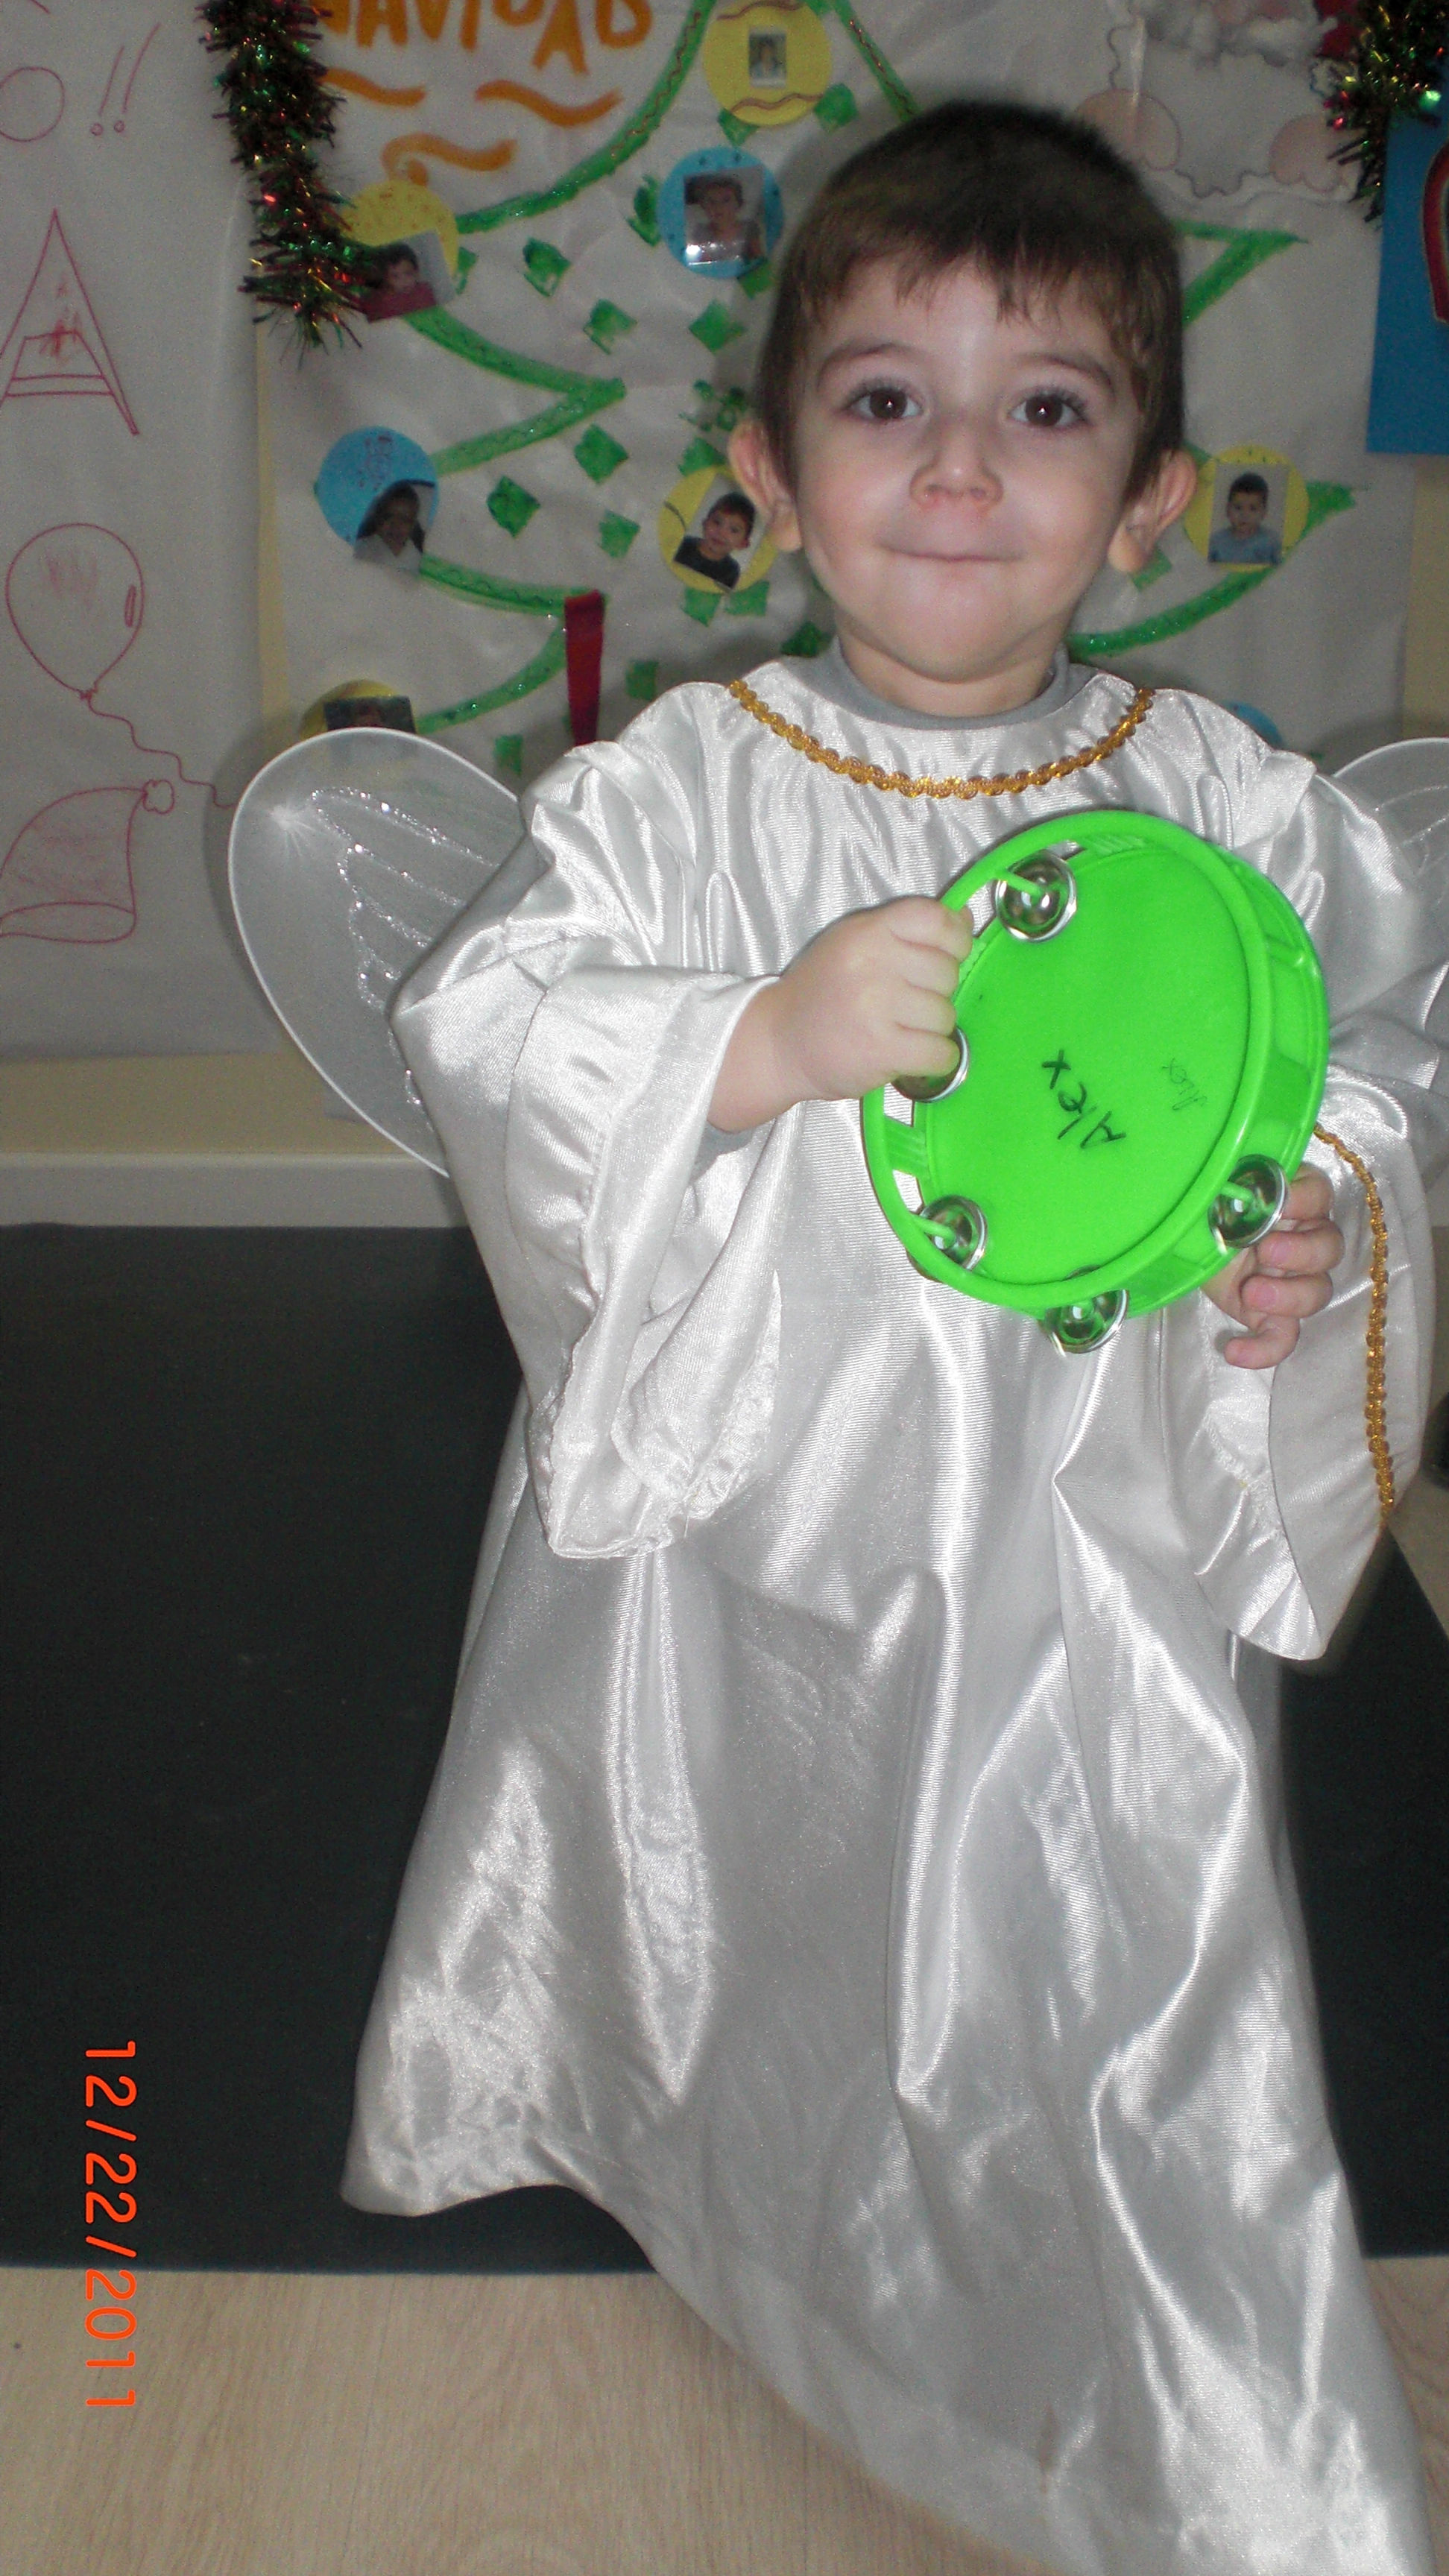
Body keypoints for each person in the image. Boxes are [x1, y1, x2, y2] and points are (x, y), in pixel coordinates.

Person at [342, 101, 1447, 2576]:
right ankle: (727, 2186)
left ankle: (1213, 2444)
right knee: (762, 1892)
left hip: (1086, 1555)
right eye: (881, 399)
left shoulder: (1224, 813)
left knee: (1117, 1945)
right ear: (766, 472)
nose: (959, 468)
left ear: (1147, 500)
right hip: (750, 1531)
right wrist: (755, 1039)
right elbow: (494, 1024)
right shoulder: (681, 791)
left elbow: (1370, 1059)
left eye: (1046, 407)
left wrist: (1315, 1221)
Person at [673, 490, 756, 587]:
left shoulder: (731, 571)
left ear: (743, 544)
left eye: (734, 530)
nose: (721, 533)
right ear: (705, 524)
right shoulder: (683, 545)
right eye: (717, 522)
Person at [684, 170, 765, 269]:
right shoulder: (702, 232)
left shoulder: (749, 228)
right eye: (712, 202)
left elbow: (758, 259)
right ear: (703, 207)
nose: (718, 207)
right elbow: (704, 265)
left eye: (726, 201)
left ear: (739, 204)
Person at [1208, 467, 1284, 563]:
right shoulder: (1216, 542)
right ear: (1228, 510)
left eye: (1253, 509)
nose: (1245, 515)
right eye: (1238, 508)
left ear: (1264, 512)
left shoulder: (1272, 542)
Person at [353, 481, 428, 569]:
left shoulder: (418, 559)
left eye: (404, 520)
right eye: (388, 517)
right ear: (378, 519)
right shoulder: (362, 549)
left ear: (413, 525)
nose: (395, 525)